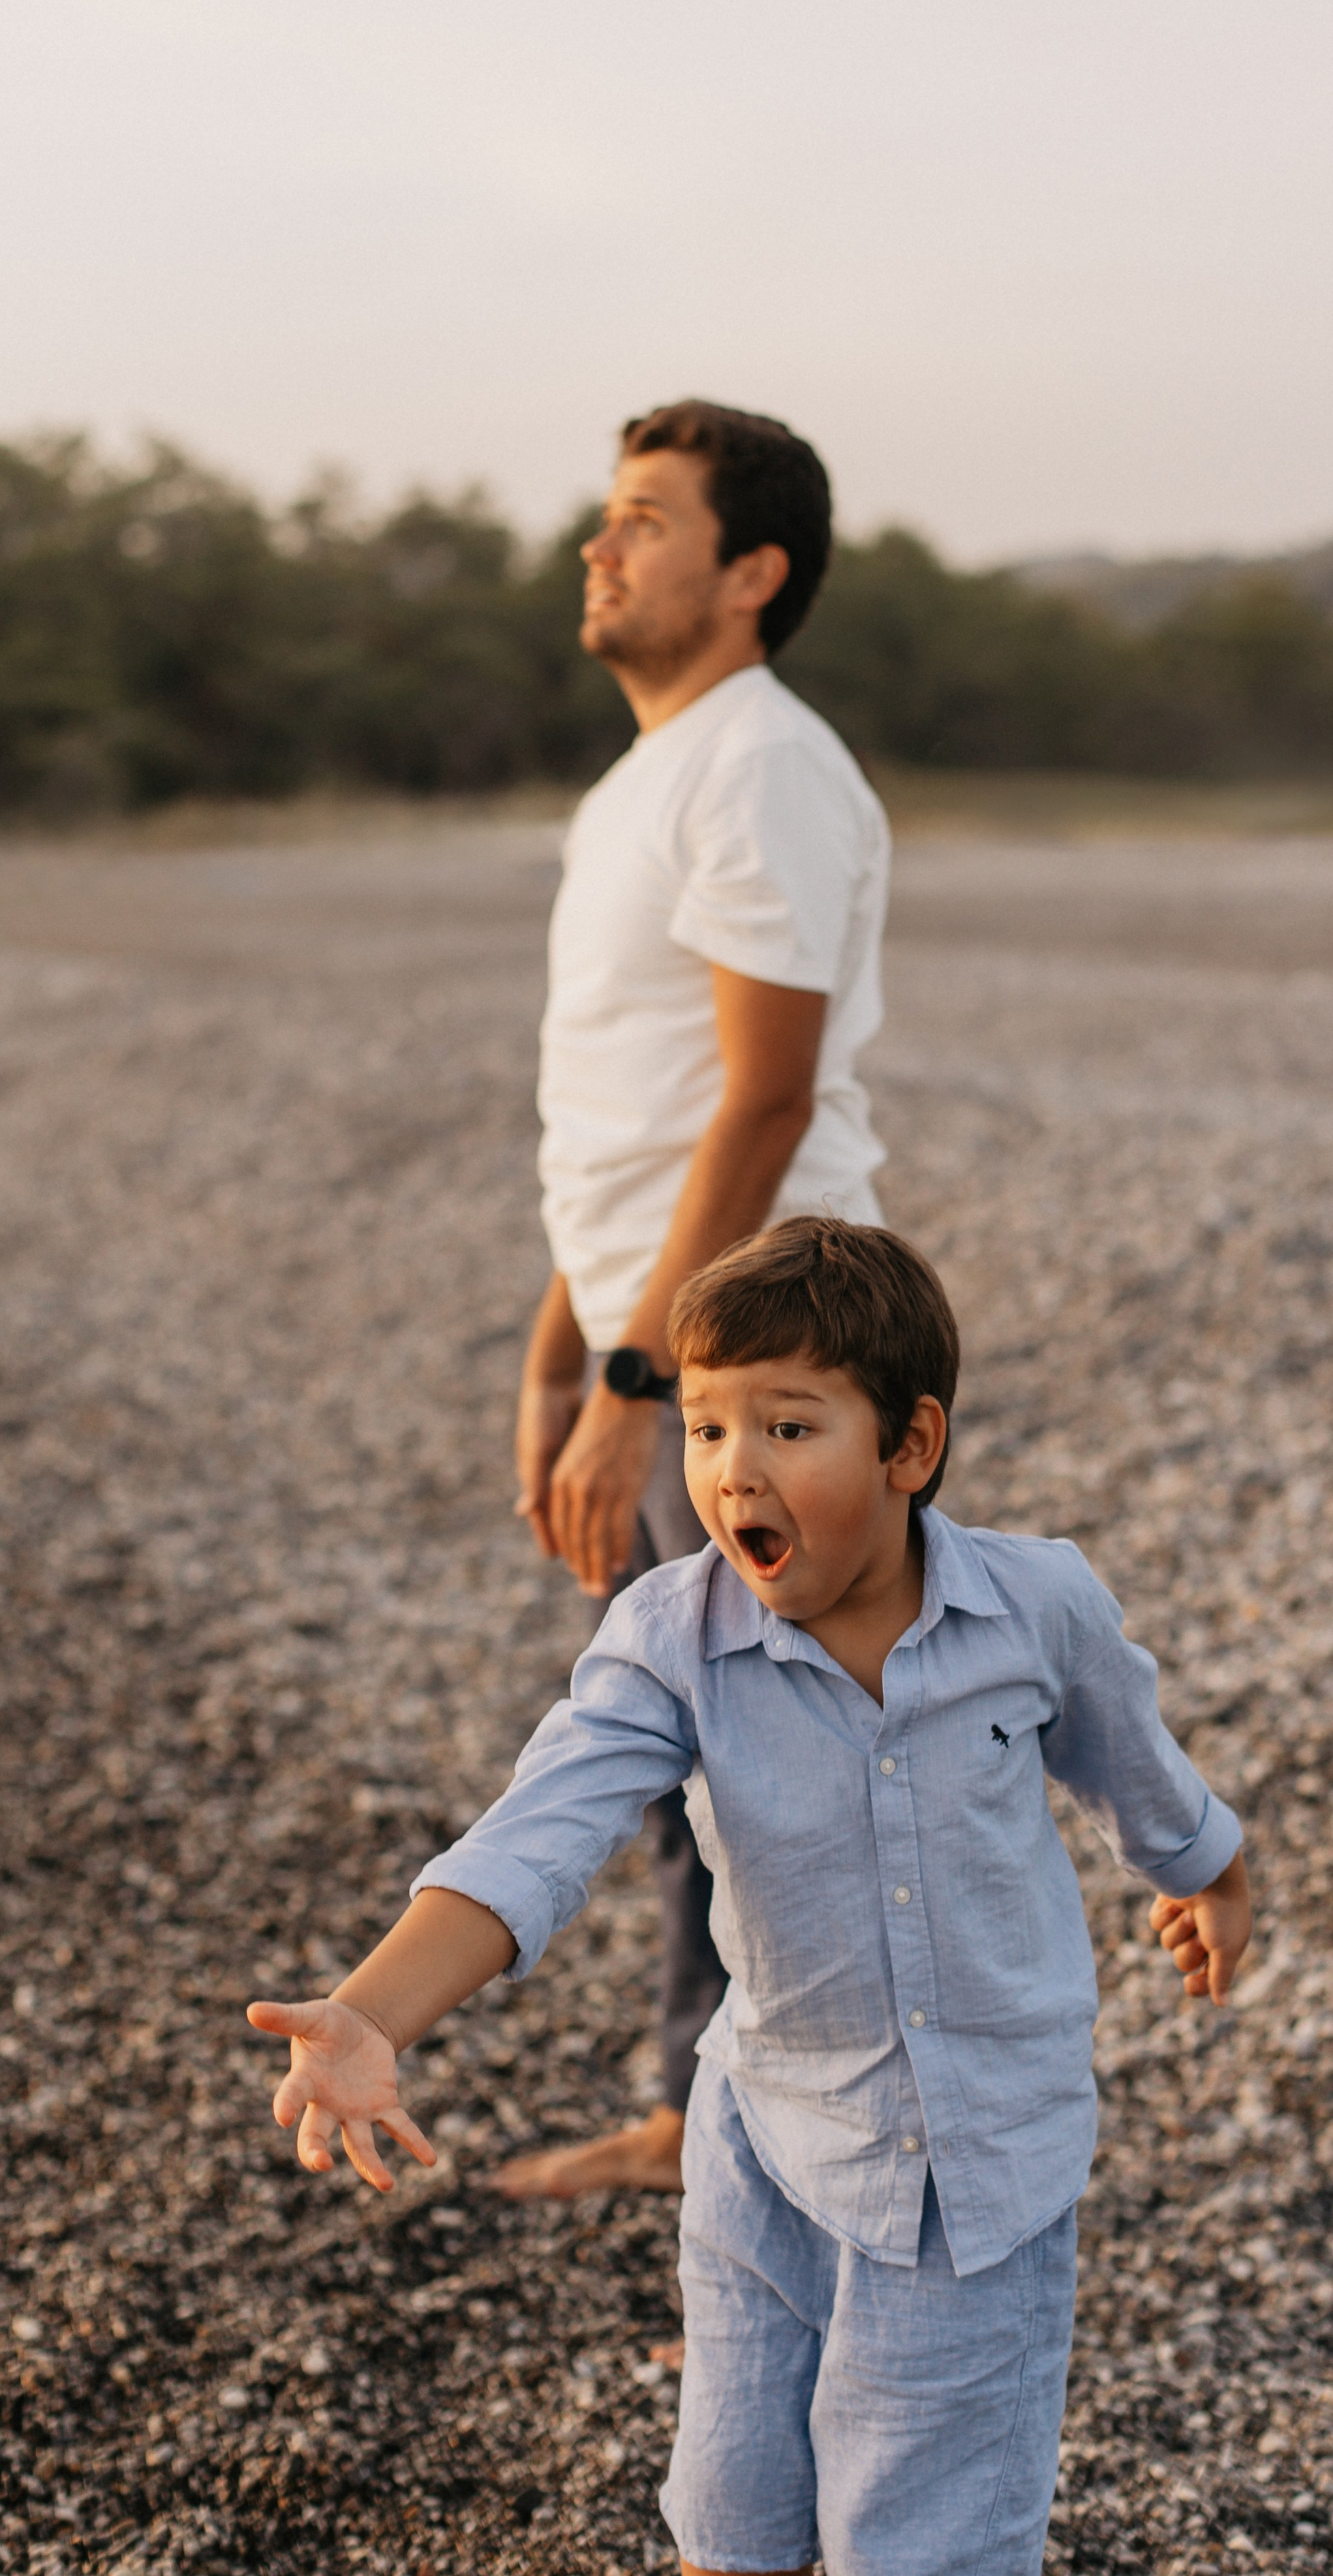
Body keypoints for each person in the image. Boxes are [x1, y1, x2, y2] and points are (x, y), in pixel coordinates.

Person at [249, 1218, 1253, 2576]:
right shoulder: (674, 1633)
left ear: (908, 1447)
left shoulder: (1038, 1605)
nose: (731, 1472)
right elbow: (545, 1828)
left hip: (975, 2166)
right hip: (763, 2130)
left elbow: (1129, 1765)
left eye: (786, 1425)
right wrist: (369, 2009)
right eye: (705, 1428)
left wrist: (1205, 1871)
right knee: (733, 2496)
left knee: (928, 2541)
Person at [500, 399, 890, 2201]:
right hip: (669, 1347)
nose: (603, 545)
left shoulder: (762, 765)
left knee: (794, 1784)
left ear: (752, 574)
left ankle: (820, 2196)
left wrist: (644, 1381)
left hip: (772, 1362)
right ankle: (698, 2127)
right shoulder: (650, 773)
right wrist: (556, 1353)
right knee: (696, 1762)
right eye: (608, 516)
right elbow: (631, 1113)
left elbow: (763, 1100)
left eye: (646, 519)